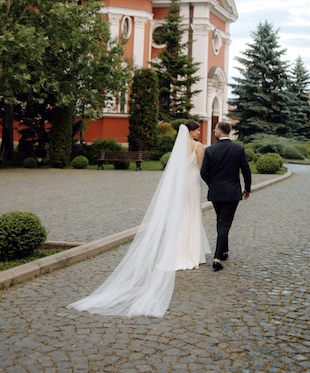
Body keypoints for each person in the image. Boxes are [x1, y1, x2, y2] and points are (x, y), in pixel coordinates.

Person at [67, 121, 210, 318]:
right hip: (193, 184)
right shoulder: (198, 146)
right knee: (192, 216)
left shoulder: (178, 148)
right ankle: (193, 255)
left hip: (181, 185)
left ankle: (179, 252)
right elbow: (202, 168)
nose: (199, 132)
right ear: (192, 131)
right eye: (197, 129)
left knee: (181, 217)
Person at [201, 121, 251, 272]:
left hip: (216, 192)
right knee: (224, 223)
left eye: (215, 129)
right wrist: (247, 189)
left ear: (220, 132)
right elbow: (246, 170)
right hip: (232, 192)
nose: (214, 131)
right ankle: (217, 259)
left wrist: (213, 185)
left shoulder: (210, 150)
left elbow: (204, 173)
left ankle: (224, 251)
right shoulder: (238, 149)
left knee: (221, 221)